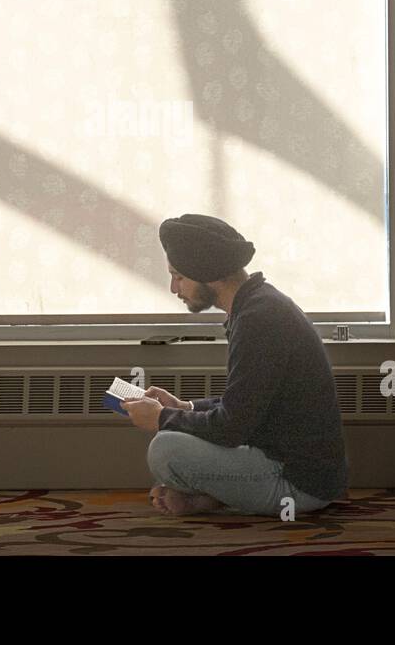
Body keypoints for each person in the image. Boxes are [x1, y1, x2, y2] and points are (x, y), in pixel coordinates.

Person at [121, 214, 349, 517]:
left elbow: (232, 428)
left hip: (297, 487)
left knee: (165, 450)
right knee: (180, 435)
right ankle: (209, 499)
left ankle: (215, 496)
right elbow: (246, 406)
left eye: (179, 276)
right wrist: (186, 407)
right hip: (289, 464)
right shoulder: (258, 305)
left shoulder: (259, 318)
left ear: (208, 272)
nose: (174, 288)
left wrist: (162, 417)